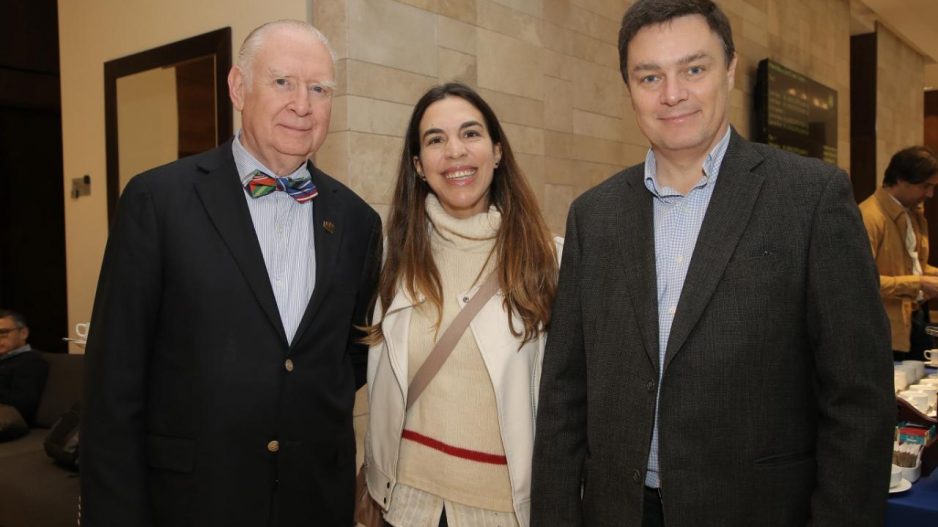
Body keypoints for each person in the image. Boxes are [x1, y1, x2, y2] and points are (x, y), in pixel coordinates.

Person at [530, 1, 895, 526]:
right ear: (629, 88)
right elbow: (564, 395)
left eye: (694, 69)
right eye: (649, 77)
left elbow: (858, 400)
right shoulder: (594, 215)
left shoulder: (811, 199)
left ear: (729, 69)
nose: (672, 94)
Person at [81, 20, 381, 526]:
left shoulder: (358, 221)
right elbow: (114, 381)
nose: (302, 105)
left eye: (319, 89)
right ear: (239, 88)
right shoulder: (157, 201)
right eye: (282, 81)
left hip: (314, 501)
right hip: (191, 502)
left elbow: (348, 357)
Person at [363, 83, 561, 527]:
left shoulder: (549, 262)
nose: (455, 151)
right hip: (406, 507)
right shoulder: (394, 260)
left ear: (497, 151)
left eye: (471, 134)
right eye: (435, 139)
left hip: (504, 512)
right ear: (418, 165)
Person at [859, 146, 938, 362]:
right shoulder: (869, 216)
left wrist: (929, 277)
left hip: (915, 317)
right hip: (886, 328)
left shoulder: (912, 212)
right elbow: (862, 282)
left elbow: (913, 266)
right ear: (902, 180)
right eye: (925, 186)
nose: (930, 194)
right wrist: (919, 283)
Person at [0, 309, 48, 425]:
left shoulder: (31, 361)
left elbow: (23, 404)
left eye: (3, 332)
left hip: (9, 420)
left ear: (23, 333)